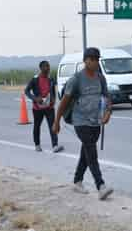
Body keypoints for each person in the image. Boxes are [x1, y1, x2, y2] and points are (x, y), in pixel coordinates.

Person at [53, 47, 114, 201]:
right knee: (91, 152)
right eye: (91, 59)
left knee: (86, 151)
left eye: (97, 59)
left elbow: (107, 97)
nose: (94, 62)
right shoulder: (76, 80)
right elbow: (63, 103)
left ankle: (77, 181)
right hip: (80, 121)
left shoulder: (100, 78)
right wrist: (56, 121)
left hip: (95, 121)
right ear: (85, 60)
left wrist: (108, 112)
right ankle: (101, 186)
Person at [25, 61, 64, 153]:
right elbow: (26, 91)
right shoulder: (35, 79)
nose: (48, 69)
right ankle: (37, 145)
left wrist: (54, 98)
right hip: (37, 108)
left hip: (49, 108)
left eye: (49, 67)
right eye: (46, 67)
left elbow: (53, 89)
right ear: (41, 68)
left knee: (52, 126)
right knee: (37, 126)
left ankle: (55, 145)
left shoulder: (51, 79)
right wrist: (35, 98)